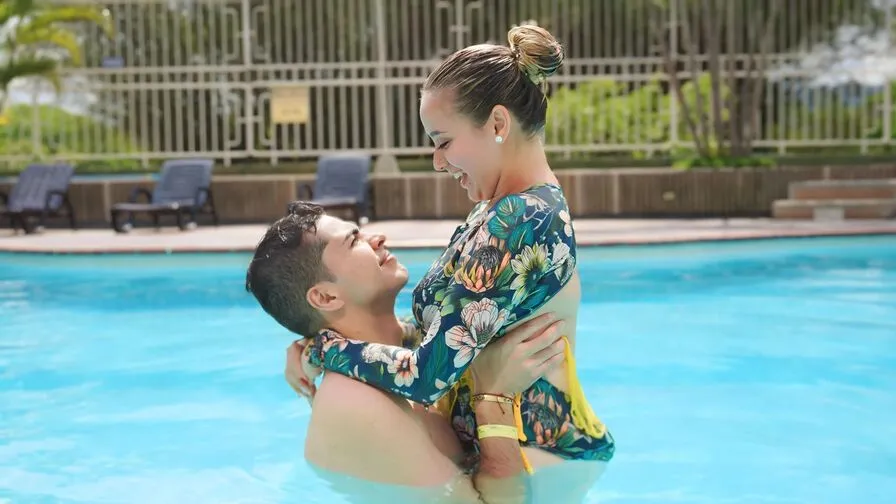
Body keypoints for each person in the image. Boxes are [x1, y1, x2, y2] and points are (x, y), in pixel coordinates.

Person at [293, 22, 615, 475]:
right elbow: (449, 338)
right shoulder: (499, 209)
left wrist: (323, 348)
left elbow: (427, 376)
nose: (437, 162)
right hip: (514, 461)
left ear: (498, 123)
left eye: (443, 142)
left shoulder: (521, 220)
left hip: (545, 468)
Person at [246, 203, 567, 503]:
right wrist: (494, 399)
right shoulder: (356, 404)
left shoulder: (405, 352)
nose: (378, 237)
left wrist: (315, 348)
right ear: (326, 297)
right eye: (354, 240)